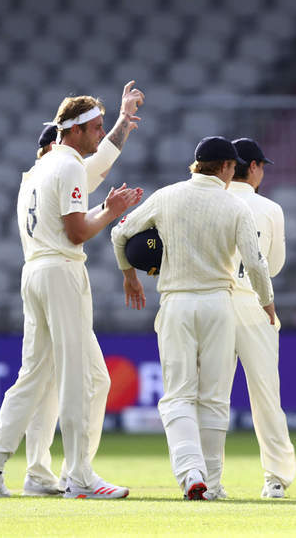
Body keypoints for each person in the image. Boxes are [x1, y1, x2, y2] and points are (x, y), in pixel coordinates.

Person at [0, 83, 145, 500]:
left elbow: (101, 162)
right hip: (62, 271)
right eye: (97, 128)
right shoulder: (66, 168)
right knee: (82, 376)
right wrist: (112, 210)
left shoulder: (39, 172)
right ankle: (80, 476)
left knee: (36, 376)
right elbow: (77, 230)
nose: (101, 135)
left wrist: (124, 120)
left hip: (34, 272)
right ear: (74, 131)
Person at [112, 136, 275, 501]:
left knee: (178, 396)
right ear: (228, 167)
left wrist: (129, 275)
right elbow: (255, 262)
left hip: (176, 303)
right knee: (215, 397)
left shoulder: (167, 196)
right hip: (219, 304)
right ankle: (212, 484)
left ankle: (191, 473)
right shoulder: (235, 206)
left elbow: (119, 233)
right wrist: (267, 301)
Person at [228, 137, 296, 498]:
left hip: (216, 305)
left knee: (210, 395)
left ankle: (205, 476)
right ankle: (276, 478)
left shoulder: (214, 200)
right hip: (256, 305)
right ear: (253, 167)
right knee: (266, 396)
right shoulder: (269, 208)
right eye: (261, 167)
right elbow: (276, 264)